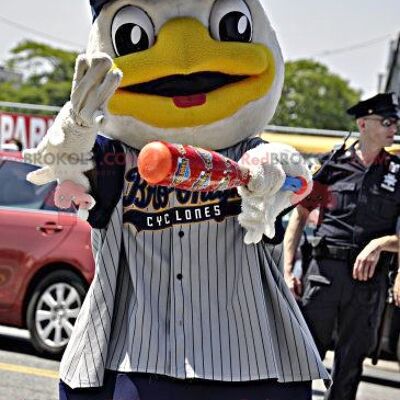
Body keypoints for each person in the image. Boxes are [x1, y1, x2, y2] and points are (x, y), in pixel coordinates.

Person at [24, 1, 329, 399]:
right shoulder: (115, 161)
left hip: (249, 358)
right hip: (140, 355)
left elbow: (294, 174)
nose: (183, 56)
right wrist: (76, 127)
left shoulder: (250, 156)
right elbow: (65, 165)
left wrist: (270, 174)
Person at [283, 92, 400, 400]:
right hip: (324, 274)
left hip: (367, 281)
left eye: (396, 122)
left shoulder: (397, 174)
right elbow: (300, 217)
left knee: (349, 367)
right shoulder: (333, 166)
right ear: (363, 124)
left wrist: (379, 244)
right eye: (387, 121)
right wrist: (287, 270)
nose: (394, 128)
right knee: (304, 359)